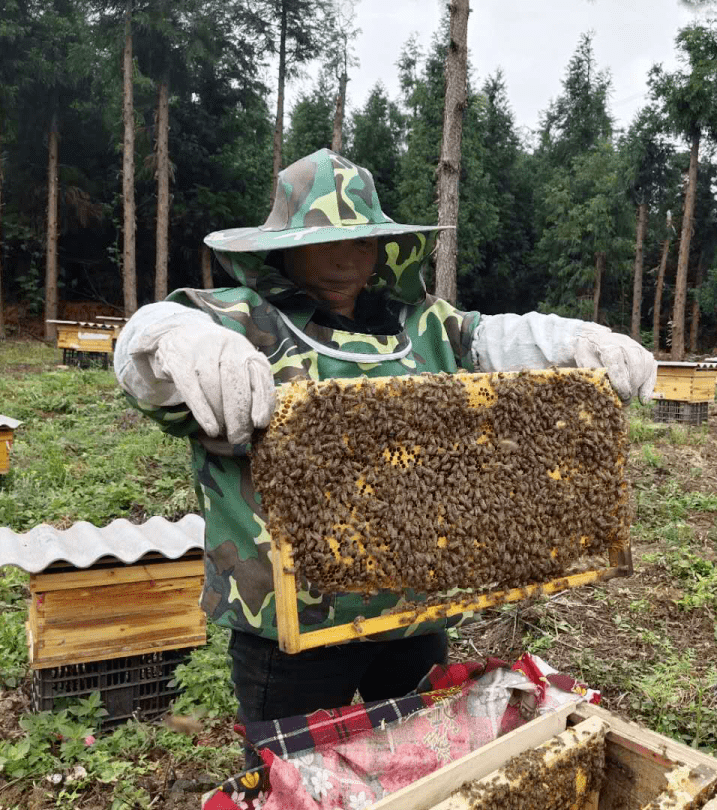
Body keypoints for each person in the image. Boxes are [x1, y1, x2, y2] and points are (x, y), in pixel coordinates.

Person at [114, 149, 655, 764]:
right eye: (325, 244)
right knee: (293, 778)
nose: (345, 260)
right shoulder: (235, 321)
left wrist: (571, 340)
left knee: (415, 767)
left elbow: (490, 337)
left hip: (412, 613)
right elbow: (149, 351)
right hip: (290, 631)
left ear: (383, 248)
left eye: (361, 243)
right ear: (285, 247)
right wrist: (168, 338)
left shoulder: (422, 326)